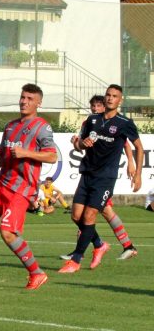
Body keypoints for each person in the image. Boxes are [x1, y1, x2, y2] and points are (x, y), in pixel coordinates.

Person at [59, 85, 143, 273]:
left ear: (120, 100)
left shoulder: (124, 123)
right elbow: (80, 144)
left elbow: (137, 146)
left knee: (90, 215)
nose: (110, 98)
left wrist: (137, 173)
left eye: (115, 96)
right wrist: (82, 143)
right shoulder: (92, 119)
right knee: (76, 216)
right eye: (108, 95)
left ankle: (76, 260)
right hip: (87, 173)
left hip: (105, 177)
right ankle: (99, 244)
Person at [0, 83, 57, 290]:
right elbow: (0, 156)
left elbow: (52, 155)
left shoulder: (42, 127)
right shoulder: (11, 126)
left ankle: (37, 273)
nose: (24, 101)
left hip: (21, 190)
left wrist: (26, 153)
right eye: (22, 97)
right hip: (0, 185)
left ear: (39, 103)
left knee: (8, 233)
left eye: (30, 99)